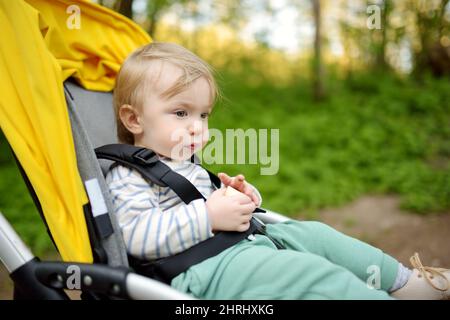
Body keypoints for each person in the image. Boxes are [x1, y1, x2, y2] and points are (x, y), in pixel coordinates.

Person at [105, 42, 449, 300]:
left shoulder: (182, 163)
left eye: (204, 115)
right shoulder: (127, 177)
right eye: (181, 113)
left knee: (316, 236)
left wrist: (239, 199)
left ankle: (407, 283)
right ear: (134, 119)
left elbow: (212, 210)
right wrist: (208, 214)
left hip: (242, 246)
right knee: (310, 274)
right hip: (200, 272)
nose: (197, 127)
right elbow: (137, 237)